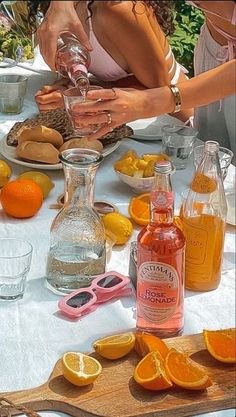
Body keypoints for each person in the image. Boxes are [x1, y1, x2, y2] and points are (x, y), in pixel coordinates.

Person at [36, 0, 236, 152]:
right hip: (213, 53)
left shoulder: (117, 10)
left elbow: (158, 90)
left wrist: (95, 97)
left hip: (180, 113)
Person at [29, 0, 192, 122]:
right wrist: (69, 87)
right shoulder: (58, 8)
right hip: (128, 122)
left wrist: (84, 98)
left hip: (175, 125)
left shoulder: (116, 8)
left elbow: (161, 92)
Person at [70, 59, 236, 158]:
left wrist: (148, 102)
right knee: (208, 168)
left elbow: (157, 76)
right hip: (214, 63)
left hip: (225, 78)